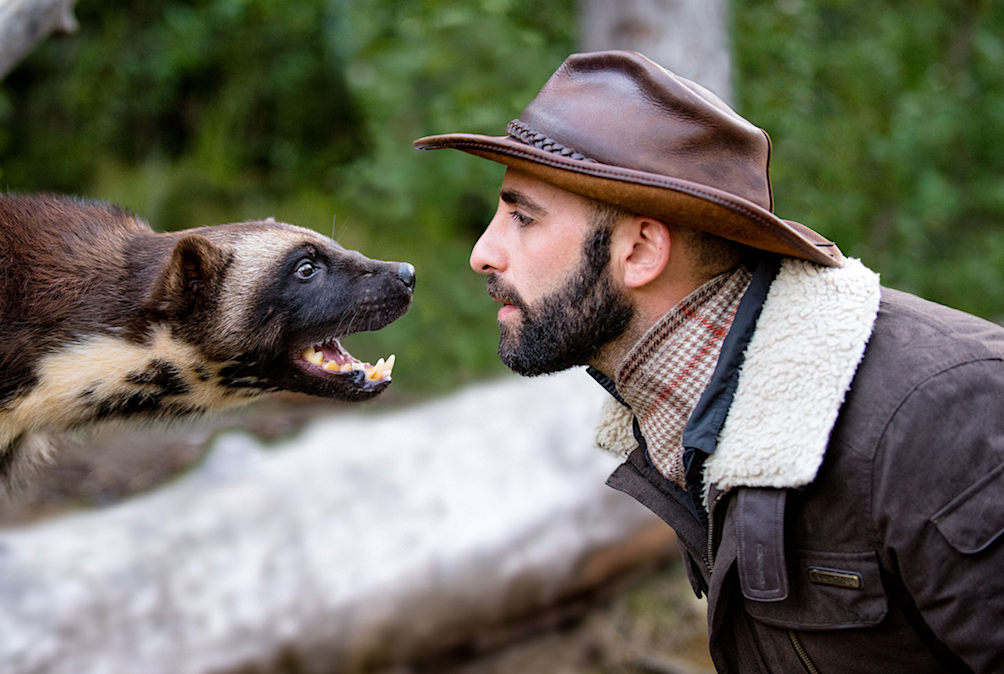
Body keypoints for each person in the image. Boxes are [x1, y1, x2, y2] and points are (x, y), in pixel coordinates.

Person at [414, 50, 1004, 673]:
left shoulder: (948, 412)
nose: (484, 252)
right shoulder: (692, 416)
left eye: (522, 217)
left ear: (640, 250)